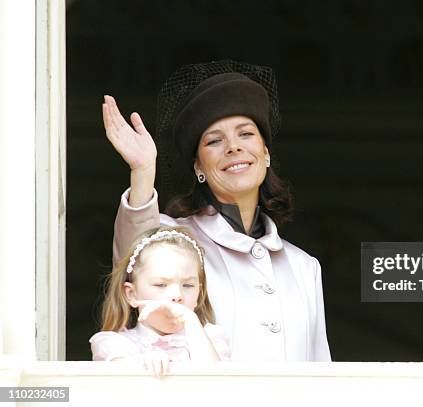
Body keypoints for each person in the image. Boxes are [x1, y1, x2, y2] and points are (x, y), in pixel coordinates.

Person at [102, 60, 331, 362]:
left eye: (246, 134)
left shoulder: (303, 267)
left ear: (265, 153)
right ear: (199, 166)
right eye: (214, 141)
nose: (234, 147)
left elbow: (320, 368)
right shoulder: (176, 238)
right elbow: (134, 252)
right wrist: (143, 172)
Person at [90, 226, 231, 375]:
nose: (177, 295)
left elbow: (217, 385)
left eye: (188, 285)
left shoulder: (211, 338)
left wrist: (192, 322)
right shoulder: (113, 343)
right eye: (161, 285)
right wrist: (141, 364)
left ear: (199, 294)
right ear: (131, 294)